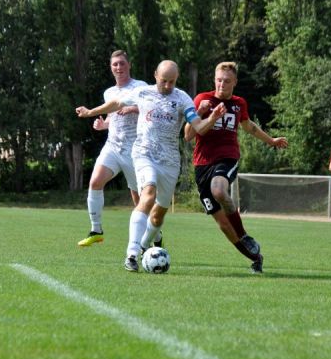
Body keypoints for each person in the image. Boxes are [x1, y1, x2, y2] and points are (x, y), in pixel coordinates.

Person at [76, 60, 225, 271]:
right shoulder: (142, 92)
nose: (167, 86)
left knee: (158, 215)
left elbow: (198, 128)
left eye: (171, 82)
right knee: (148, 193)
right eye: (164, 81)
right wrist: (91, 112)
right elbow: (116, 104)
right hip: (144, 153)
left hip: (170, 162)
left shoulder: (182, 99)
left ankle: (144, 247)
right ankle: (131, 254)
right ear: (155, 75)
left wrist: (212, 118)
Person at [184, 62, 288, 273]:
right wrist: (201, 112)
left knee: (219, 190)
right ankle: (255, 257)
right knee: (223, 225)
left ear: (235, 82)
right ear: (214, 80)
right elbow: (188, 135)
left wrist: (272, 141)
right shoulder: (202, 100)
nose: (222, 84)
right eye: (219, 80)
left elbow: (249, 126)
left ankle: (243, 234)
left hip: (227, 158)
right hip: (202, 165)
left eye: (227, 81)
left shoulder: (239, 103)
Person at [76, 50, 160, 248]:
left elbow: (153, 107)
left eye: (122, 63)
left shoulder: (140, 86)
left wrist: (132, 108)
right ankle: (96, 230)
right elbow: (112, 116)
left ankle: (156, 237)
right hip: (113, 146)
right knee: (95, 182)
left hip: (135, 149)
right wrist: (104, 125)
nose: (119, 67)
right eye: (115, 64)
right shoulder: (109, 92)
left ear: (129, 65)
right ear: (111, 67)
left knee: (139, 200)